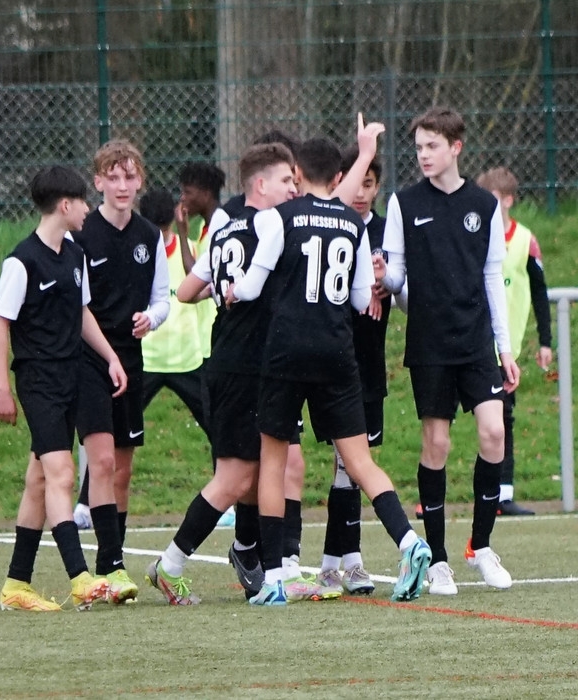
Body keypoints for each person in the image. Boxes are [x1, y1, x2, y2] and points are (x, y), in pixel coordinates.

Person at [235, 137, 432, 606]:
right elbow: (364, 299)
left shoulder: (279, 217)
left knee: (274, 461)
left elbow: (251, 287)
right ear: (339, 178)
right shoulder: (353, 223)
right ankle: (409, 542)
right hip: (338, 353)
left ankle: (276, 576)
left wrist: (232, 288)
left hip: (286, 354)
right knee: (360, 462)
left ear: (298, 175)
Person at [145, 143, 299, 604]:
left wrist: (220, 285)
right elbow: (241, 287)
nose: (293, 188)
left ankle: (252, 556)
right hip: (245, 365)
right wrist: (237, 289)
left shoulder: (226, 227)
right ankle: (170, 564)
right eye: (286, 181)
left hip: (230, 359)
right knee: (234, 478)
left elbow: (187, 290)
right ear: (260, 184)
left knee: (258, 472)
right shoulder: (270, 223)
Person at [377, 106, 519, 596]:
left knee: (494, 431)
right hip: (430, 344)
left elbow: (492, 278)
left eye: (432, 146)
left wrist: (505, 349)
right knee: (436, 444)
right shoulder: (403, 203)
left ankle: (481, 546)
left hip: (476, 343)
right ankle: (437, 560)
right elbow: (398, 282)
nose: (423, 155)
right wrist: (387, 280)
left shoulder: (484, 205)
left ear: (456, 147)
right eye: (418, 147)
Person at [0, 165, 126, 612]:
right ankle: (80, 577)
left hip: (71, 378)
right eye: (83, 201)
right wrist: (2, 388)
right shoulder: (21, 261)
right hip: (39, 383)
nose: (88, 209)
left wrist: (111, 357)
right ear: (65, 205)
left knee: (37, 481)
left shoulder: (74, 254)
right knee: (62, 474)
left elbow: (83, 313)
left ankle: (16, 585)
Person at [72, 139, 170, 604]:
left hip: (131, 360)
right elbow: (77, 304)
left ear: (140, 181)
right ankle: (109, 565)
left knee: (124, 469)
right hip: (90, 358)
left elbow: (163, 298)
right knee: (103, 463)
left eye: (129, 176)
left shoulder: (149, 235)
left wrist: (152, 318)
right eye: (113, 177)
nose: (122, 185)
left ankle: (113, 561)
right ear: (98, 182)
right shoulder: (82, 234)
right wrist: (104, 350)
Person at [314, 146, 389, 597]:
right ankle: (349, 563)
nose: (360, 192)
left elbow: (402, 288)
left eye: (369, 183)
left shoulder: (385, 230)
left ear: (377, 187)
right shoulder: (329, 226)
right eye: (354, 182)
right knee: (347, 466)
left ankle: (332, 564)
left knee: (351, 470)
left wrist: (387, 281)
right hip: (335, 363)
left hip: (370, 364)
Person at [476, 166, 553, 517]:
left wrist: (545, 341)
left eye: (492, 200)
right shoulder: (473, 237)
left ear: (508, 201)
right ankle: (433, 492)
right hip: (472, 343)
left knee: (503, 419)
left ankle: (501, 494)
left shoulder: (524, 241)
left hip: (505, 351)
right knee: (443, 416)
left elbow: (539, 293)